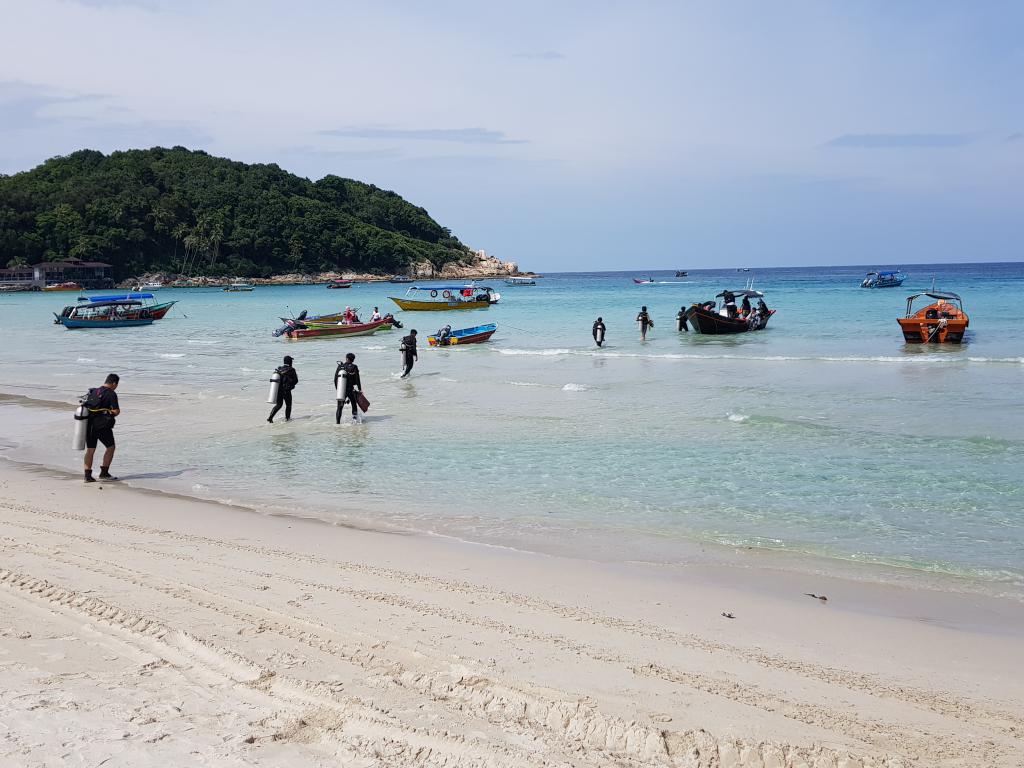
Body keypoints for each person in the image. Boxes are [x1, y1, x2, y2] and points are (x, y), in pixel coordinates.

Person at [83, 373, 120, 483]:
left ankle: (87, 476)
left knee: (90, 450)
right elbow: (116, 411)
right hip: (102, 426)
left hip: (88, 425)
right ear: (114, 383)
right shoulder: (111, 394)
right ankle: (104, 473)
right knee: (110, 447)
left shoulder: (93, 391)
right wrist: (112, 412)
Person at [267, 355, 298, 423]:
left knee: (279, 405)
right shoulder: (291, 370)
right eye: (291, 361)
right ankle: (287, 419)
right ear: (290, 362)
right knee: (288, 405)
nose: (292, 362)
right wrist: (291, 385)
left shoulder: (279, 369)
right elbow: (296, 380)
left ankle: (270, 417)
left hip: (278, 390)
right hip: (286, 390)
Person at [334, 353, 362, 423]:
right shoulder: (354, 367)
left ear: (346, 358)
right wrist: (359, 389)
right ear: (353, 360)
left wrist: (338, 390)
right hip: (350, 390)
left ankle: (338, 423)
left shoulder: (340, 367)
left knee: (339, 408)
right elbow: (357, 379)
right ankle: (355, 421)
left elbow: (335, 379)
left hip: (341, 389)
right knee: (354, 404)